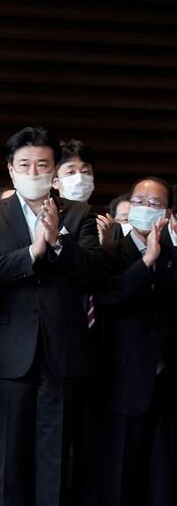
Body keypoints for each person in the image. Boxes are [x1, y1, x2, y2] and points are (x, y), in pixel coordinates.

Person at [0, 126, 103, 506]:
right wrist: (33, 251)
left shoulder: (78, 214)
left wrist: (58, 243)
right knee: (8, 457)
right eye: (24, 165)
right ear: (11, 170)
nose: (33, 173)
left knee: (55, 456)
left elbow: (94, 271)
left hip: (63, 353)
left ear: (55, 170)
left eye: (42, 165)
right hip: (8, 353)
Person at [93, 177, 176, 506]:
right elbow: (109, 299)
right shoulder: (111, 252)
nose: (145, 208)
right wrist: (145, 263)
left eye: (154, 204)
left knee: (161, 477)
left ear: (167, 213)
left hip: (166, 384)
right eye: (139, 201)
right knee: (119, 474)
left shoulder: (173, 255)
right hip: (122, 381)